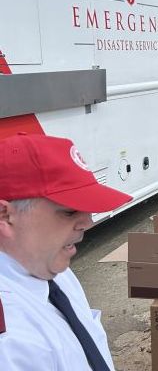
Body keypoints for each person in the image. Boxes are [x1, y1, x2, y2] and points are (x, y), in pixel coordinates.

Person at [0, 134, 132, 371]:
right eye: (69, 212)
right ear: (5, 215)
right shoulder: (9, 337)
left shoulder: (53, 272)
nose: (88, 222)